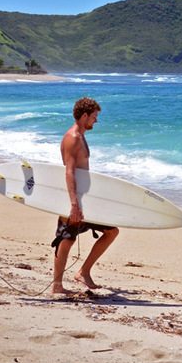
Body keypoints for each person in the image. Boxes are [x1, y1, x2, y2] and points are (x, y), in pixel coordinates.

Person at [51, 97, 119, 294]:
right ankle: (57, 285)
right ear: (84, 115)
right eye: (94, 116)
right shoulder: (72, 138)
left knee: (111, 232)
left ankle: (83, 271)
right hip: (74, 199)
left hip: (84, 199)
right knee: (66, 238)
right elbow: (70, 172)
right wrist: (73, 204)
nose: (95, 121)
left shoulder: (81, 136)